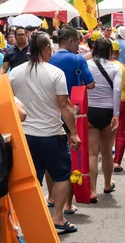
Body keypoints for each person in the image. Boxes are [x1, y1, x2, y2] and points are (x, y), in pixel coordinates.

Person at [9, 32, 81, 233]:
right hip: (51, 134)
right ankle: (58, 217)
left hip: (25, 135)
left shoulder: (15, 73)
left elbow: (9, 100)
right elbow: (64, 105)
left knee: (28, 181)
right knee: (60, 175)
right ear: (47, 49)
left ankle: (22, 223)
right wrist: (73, 133)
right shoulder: (55, 73)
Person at [46, 25, 95, 213]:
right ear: (70, 41)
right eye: (77, 42)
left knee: (52, 159)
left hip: (50, 112)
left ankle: (51, 196)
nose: (78, 47)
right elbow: (90, 84)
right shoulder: (77, 60)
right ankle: (67, 204)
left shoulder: (48, 58)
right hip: (71, 112)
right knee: (72, 158)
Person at [86, 37, 122, 202]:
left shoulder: (86, 65)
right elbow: (117, 91)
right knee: (107, 151)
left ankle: (92, 190)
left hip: (90, 111)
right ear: (109, 52)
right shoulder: (115, 68)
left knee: (92, 153)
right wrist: (116, 114)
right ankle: (107, 184)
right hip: (108, 111)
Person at [110, 41, 125, 173]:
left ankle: (105, 157)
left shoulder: (101, 66)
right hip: (122, 101)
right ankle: (117, 162)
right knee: (120, 133)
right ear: (118, 53)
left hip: (104, 102)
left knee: (103, 131)